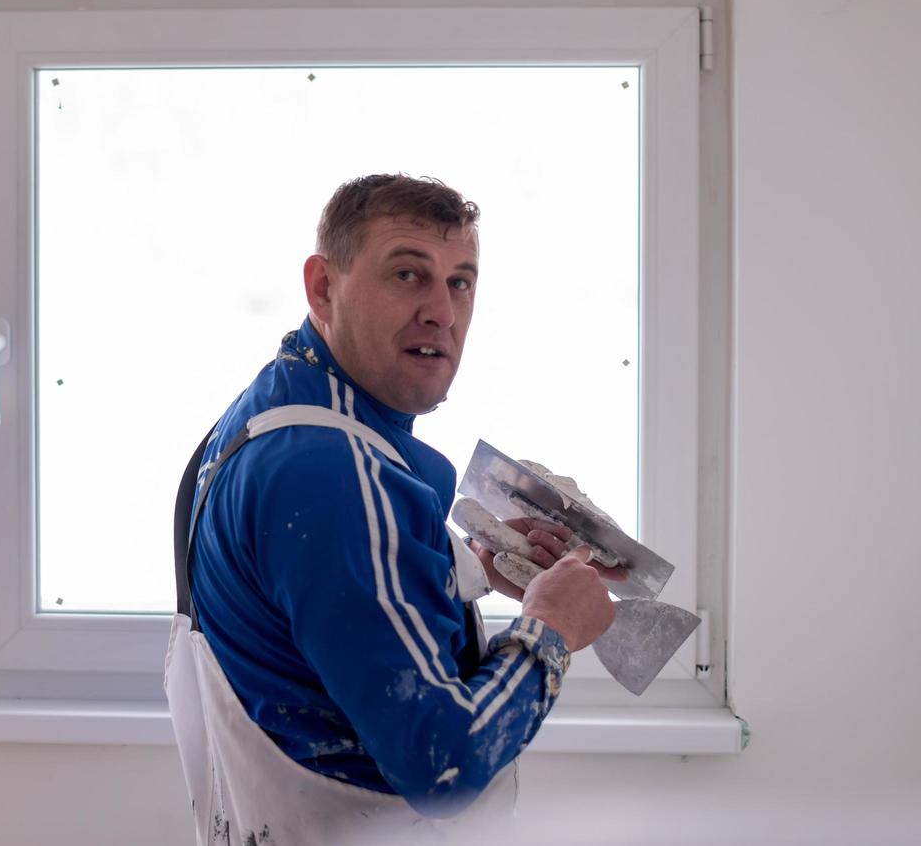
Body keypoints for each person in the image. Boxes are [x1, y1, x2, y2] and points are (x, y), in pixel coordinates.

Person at [167, 173, 618, 844]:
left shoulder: (270, 413)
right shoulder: (334, 473)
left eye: (459, 282)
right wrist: (548, 631)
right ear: (323, 287)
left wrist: (449, 568)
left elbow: (312, 613)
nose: (441, 310)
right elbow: (444, 767)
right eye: (407, 275)